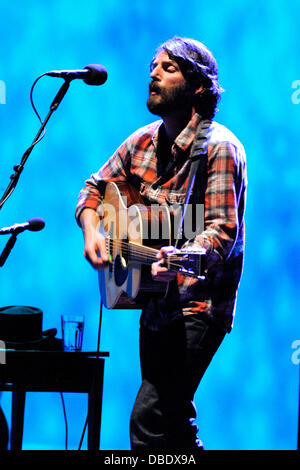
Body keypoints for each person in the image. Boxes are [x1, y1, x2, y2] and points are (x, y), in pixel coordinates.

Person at [75, 36, 247, 451]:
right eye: (153, 66)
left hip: (198, 305)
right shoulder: (142, 142)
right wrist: (93, 229)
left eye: (168, 68)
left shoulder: (218, 147)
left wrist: (182, 258)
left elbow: (223, 230)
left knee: (149, 420)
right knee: (173, 427)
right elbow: (92, 190)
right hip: (154, 306)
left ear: (199, 86)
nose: (153, 73)